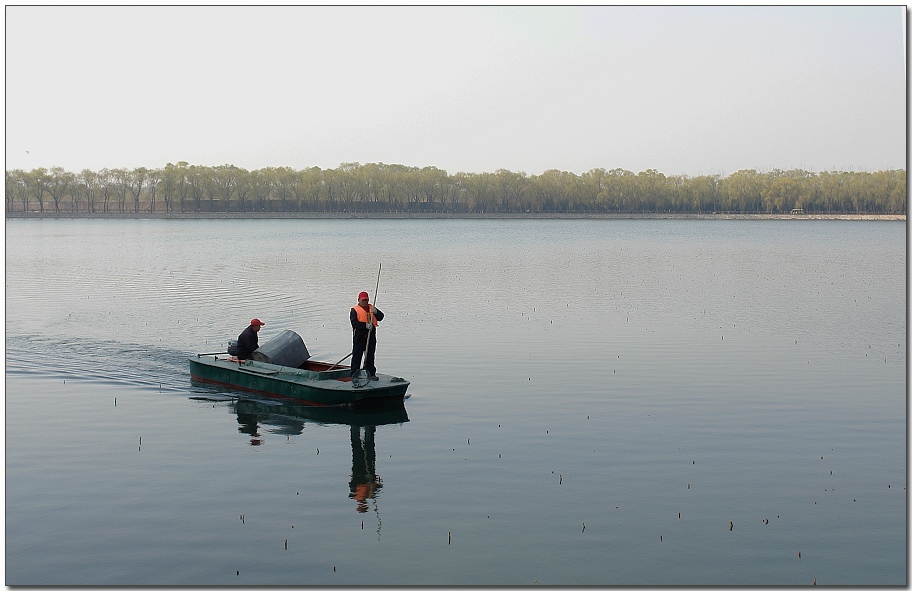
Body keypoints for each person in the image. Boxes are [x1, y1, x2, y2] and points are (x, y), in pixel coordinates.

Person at [350, 291, 383, 379]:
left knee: (370, 356)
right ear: (359, 300)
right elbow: (354, 323)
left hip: (371, 336)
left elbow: (381, 317)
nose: (365, 302)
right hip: (359, 337)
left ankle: (371, 374)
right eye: (363, 300)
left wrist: (376, 312)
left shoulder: (372, 308)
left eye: (366, 300)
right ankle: (354, 375)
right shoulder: (354, 310)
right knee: (357, 356)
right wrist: (365, 326)